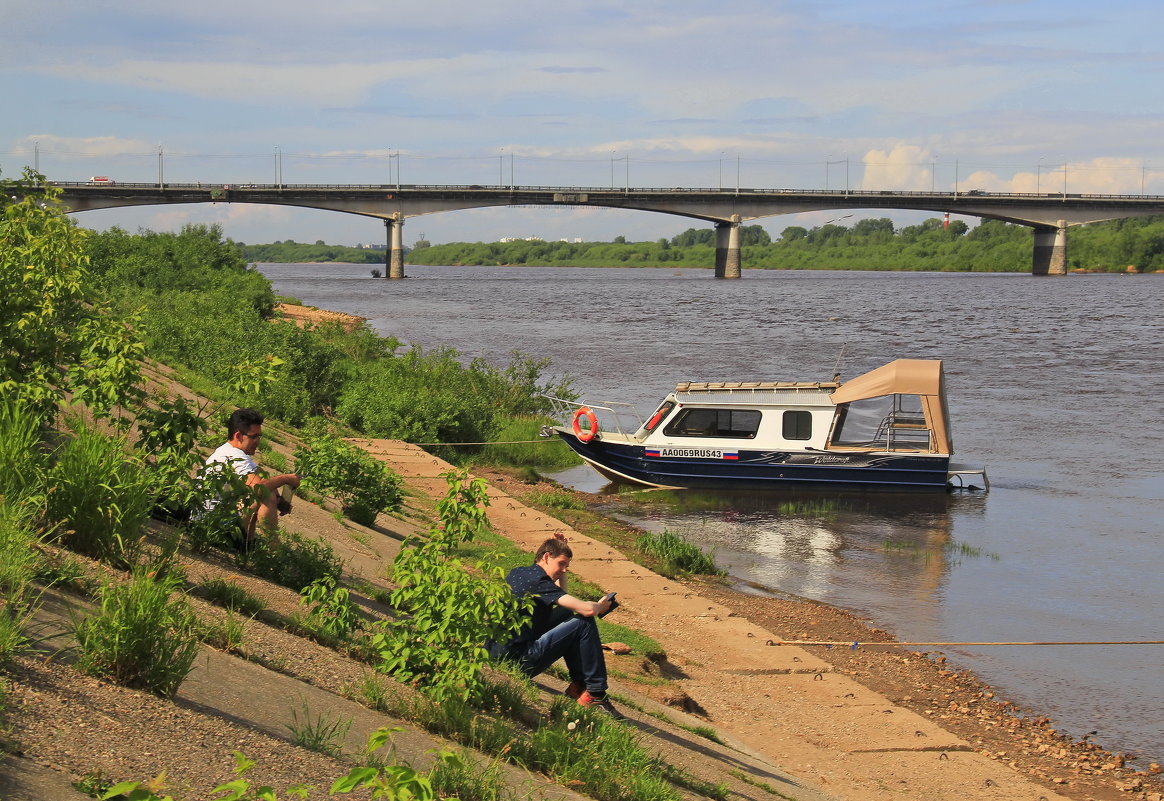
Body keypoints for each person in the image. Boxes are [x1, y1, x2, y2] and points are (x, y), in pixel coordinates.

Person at [491, 533, 621, 716]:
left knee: (567, 613)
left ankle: (579, 685)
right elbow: (587, 610)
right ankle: (595, 693)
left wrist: (560, 558)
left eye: (567, 566)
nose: (565, 570)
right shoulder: (539, 583)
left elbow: (562, 595)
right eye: (561, 564)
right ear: (546, 557)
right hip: (517, 661)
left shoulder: (519, 572)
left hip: (495, 651)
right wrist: (601, 606)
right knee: (584, 623)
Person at [200, 407, 300, 548]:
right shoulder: (234, 457)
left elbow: (257, 477)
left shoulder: (229, 451)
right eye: (254, 436)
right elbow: (259, 489)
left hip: (210, 519)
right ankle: (272, 550)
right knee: (265, 493)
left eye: (259, 436)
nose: (258, 441)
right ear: (238, 436)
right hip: (210, 525)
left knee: (265, 486)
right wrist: (286, 479)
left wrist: (279, 500)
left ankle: (251, 544)